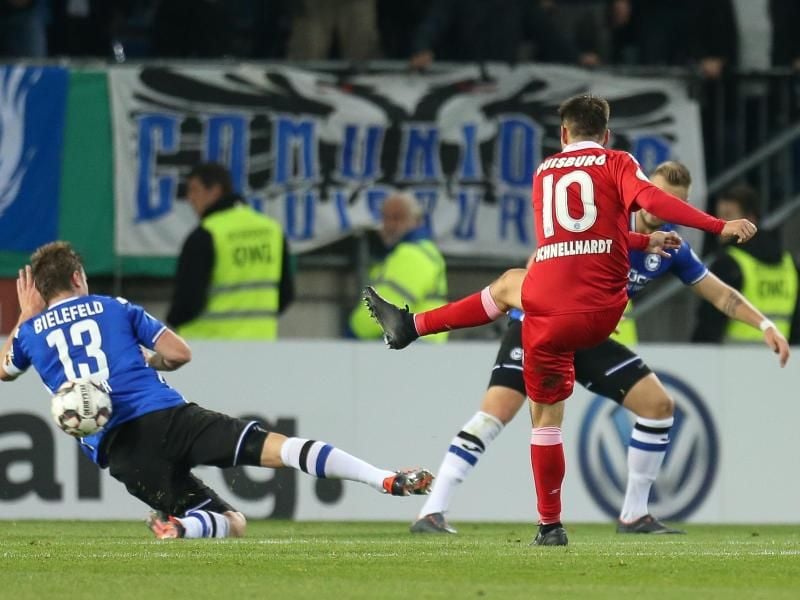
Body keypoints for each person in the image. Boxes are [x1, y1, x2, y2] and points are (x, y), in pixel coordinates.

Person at [364, 94, 757, 546]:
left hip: (548, 312)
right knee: (519, 301)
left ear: (563, 134)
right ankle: (411, 329)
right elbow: (650, 200)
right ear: (606, 135)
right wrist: (715, 226)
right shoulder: (617, 162)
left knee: (542, 406)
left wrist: (639, 242)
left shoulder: (544, 173)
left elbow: (574, 233)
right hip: (599, 312)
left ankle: (550, 523)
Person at [405, 161, 790, 536]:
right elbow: (541, 260)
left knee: (658, 407)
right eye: (655, 197)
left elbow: (720, 295)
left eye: (672, 202)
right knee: (497, 413)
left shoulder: (671, 247)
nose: (658, 208)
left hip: (588, 336)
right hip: (538, 326)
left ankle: (635, 515)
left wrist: (765, 324)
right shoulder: (603, 220)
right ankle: (433, 509)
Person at [0, 242, 433, 540]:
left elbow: (5, 372)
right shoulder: (115, 307)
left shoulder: (28, 335)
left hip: (122, 453)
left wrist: (24, 317)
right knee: (281, 449)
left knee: (232, 522)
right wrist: (147, 362)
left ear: (38, 290)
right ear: (78, 276)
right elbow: (180, 353)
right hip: (169, 417)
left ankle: (184, 528)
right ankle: (385, 479)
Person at [166, 162, 294, 340]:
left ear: (215, 191)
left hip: (210, 346)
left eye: (195, 189)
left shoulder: (206, 234)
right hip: (261, 345)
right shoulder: (272, 230)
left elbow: (188, 301)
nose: (190, 198)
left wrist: (172, 321)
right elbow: (286, 294)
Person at [693, 183, 800, 345]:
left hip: (733, 362)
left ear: (750, 220)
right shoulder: (788, 263)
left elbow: (709, 323)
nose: (720, 225)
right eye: (717, 217)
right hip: (779, 361)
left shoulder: (728, 263)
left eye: (728, 216)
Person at [348, 192, 447, 343]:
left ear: (417, 221)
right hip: (418, 346)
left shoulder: (412, 254)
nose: (390, 224)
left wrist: (352, 330)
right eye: (385, 217)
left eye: (398, 217)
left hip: (413, 348)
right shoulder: (413, 252)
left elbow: (383, 313)